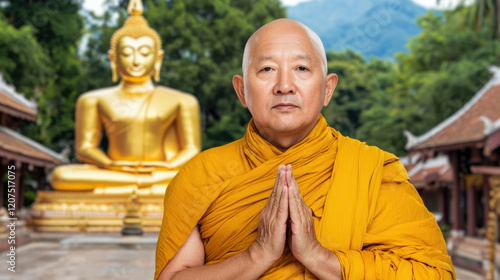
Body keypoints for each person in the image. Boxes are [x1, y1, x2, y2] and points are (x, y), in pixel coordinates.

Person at [155, 18, 455, 279]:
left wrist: (318, 257)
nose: (284, 85)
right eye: (267, 69)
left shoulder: (372, 173)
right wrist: (256, 256)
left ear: (327, 88)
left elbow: (434, 274)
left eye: (301, 68)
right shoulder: (201, 177)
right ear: (241, 90)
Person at [50, 0, 201, 193]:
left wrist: (168, 167)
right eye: (127, 53)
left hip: (161, 172)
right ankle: (144, 187)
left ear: (158, 58)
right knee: (61, 176)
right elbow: (85, 148)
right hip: (116, 170)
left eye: (145, 53)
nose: (136, 61)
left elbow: (191, 150)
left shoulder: (182, 100)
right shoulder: (92, 100)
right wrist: (111, 165)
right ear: (113, 58)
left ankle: (125, 188)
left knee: (201, 177)